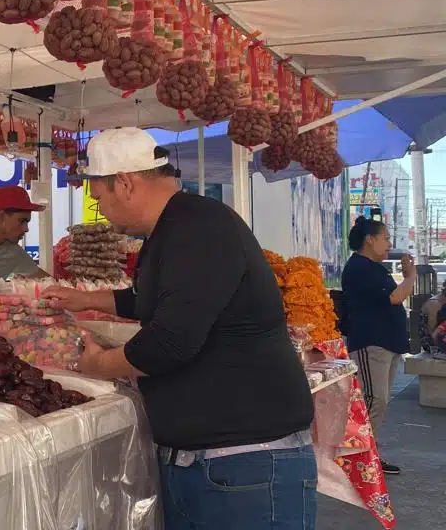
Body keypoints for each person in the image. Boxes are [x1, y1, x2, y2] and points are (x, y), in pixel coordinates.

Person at [41, 128, 316, 530]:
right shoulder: (170, 229)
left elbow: (169, 343)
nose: (101, 211)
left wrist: (97, 365)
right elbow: (160, 301)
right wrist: (88, 300)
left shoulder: (199, 226)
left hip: (245, 467)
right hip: (204, 465)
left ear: (125, 183)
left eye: (99, 198)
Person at [341, 217, 413, 475]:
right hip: (372, 344)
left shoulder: (373, 268)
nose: (389, 243)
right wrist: (411, 275)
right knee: (374, 400)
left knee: (377, 402)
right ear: (370, 240)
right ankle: (356, 458)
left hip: (385, 344)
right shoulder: (360, 267)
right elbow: (395, 297)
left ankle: (366, 454)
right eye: (385, 237)